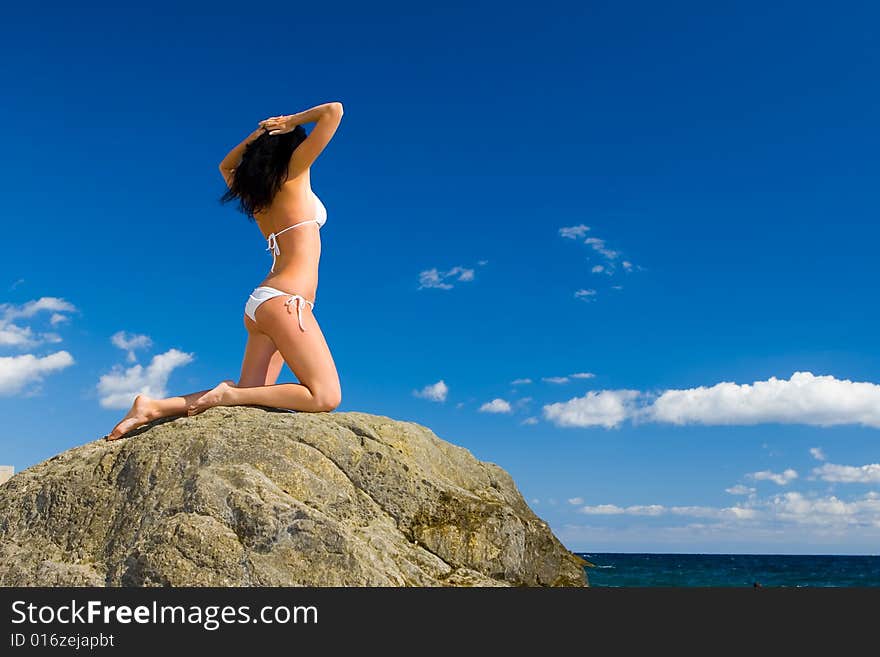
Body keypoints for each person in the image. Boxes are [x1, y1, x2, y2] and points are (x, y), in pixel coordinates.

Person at [105, 102, 345, 441]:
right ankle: (226, 394)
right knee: (325, 396)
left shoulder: (259, 195)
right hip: (285, 303)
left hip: (265, 303)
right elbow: (333, 111)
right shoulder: (293, 174)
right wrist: (290, 121)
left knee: (253, 396)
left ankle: (153, 407)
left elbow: (226, 164)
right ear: (289, 147)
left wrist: (262, 131)